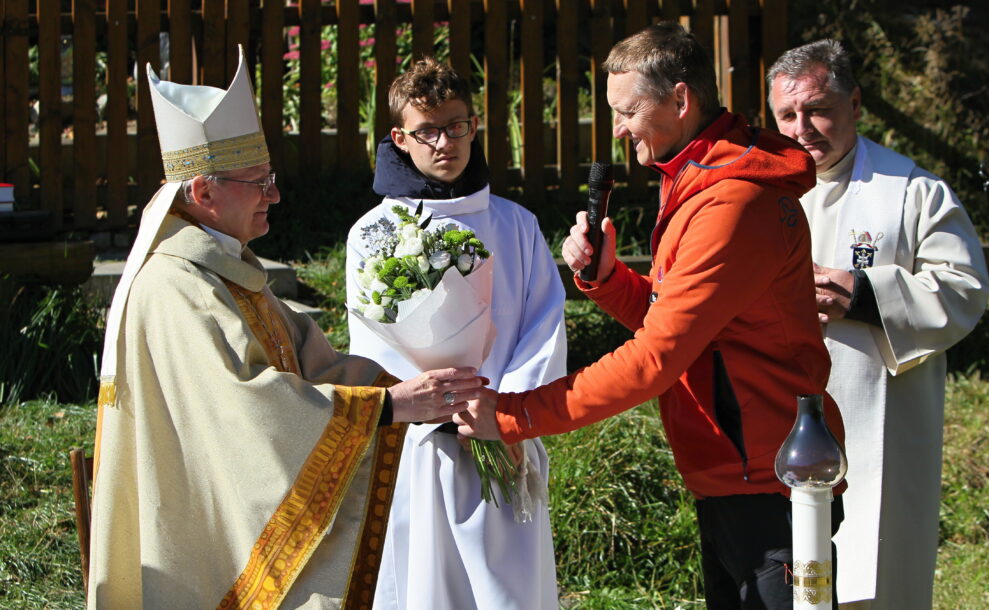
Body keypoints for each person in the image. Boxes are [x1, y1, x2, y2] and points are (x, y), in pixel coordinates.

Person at [455, 23, 845, 609]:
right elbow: (689, 325)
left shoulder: (731, 200)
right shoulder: (699, 176)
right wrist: (609, 281)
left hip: (767, 480)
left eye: (628, 110)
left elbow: (658, 357)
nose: (617, 128)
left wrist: (512, 416)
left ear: (681, 100)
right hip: (736, 471)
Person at [87, 49, 485, 609]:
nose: (274, 194)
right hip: (202, 523)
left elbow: (302, 355)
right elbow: (247, 409)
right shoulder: (177, 288)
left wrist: (413, 389)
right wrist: (388, 407)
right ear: (202, 193)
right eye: (258, 182)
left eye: (269, 178)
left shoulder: (226, 265)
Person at [766, 39, 989, 608]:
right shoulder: (757, 194)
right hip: (775, 414)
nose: (802, 129)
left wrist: (865, 294)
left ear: (856, 103)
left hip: (879, 417)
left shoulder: (913, 192)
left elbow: (965, 290)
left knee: (876, 571)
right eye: (787, 115)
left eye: (818, 109)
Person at [346, 57, 566, 610]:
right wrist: (438, 403)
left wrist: (504, 409)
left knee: (507, 588)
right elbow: (373, 338)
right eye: (427, 131)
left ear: (473, 125)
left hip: (504, 431)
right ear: (399, 138)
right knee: (429, 584)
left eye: (457, 125)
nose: (445, 142)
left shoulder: (516, 224)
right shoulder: (373, 233)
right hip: (422, 440)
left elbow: (543, 324)